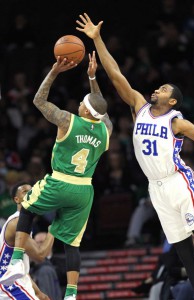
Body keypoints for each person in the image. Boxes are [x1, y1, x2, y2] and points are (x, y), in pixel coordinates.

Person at [76, 13, 194, 300]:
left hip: (180, 183)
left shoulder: (177, 121)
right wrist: (97, 39)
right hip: (156, 188)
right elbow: (115, 75)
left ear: (171, 100)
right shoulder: (139, 106)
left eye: (163, 89)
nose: (157, 89)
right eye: (158, 86)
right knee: (185, 254)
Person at [0, 51, 113, 300]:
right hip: (85, 190)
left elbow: (39, 101)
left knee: (27, 208)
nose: (80, 104)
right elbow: (101, 110)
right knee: (72, 243)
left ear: (85, 110)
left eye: (83, 103)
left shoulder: (67, 120)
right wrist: (93, 77)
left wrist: (54, 72)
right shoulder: (106, 132)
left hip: (60, 180)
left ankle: (17, 261)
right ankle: (71, 294)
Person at [0, 182, 54, 299]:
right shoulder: (16, 223)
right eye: (25, 191)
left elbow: (21, 267)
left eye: (32, 190)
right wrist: (53, 231)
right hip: (8, 284)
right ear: (17, 199)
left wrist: (38, 292)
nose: (30, 193)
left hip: (15, 280)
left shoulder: (25, 222)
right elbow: (40, 256)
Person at [30, 232, 62, 300]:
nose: (38, 245)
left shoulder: (46, 269)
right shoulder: (31, 266)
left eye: (41, 242)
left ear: (49, 243)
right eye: (36, 242)